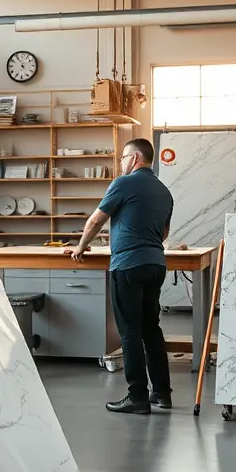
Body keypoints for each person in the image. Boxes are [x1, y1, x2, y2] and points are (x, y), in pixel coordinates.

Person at [67, 138, 174, 414]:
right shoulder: (164, 191)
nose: (121, 162)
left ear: (135, 157)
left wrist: (80, 246)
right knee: (151, 328)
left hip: (128, 265)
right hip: (155, 265)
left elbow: (95, 220)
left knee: (129, 331)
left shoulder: (123, 183)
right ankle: (162, 393)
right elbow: (164, 234)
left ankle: (137, 396)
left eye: (123, 157)